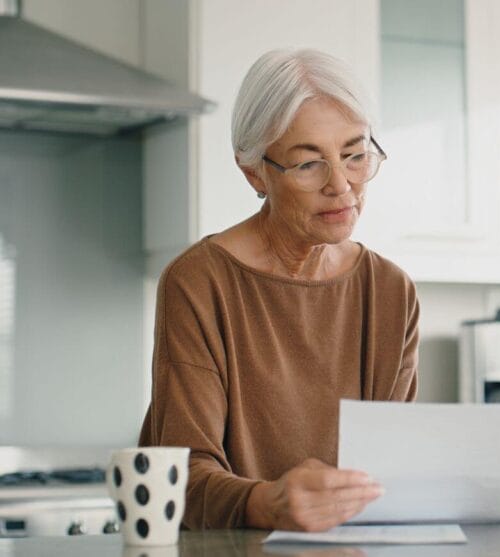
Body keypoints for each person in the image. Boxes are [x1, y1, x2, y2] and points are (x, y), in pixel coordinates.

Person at [139, 48, 420, 532]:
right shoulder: (199, 282)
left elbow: (392, 473)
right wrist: (267, 503)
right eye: (310, 164)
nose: (342, 186)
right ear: (254, 171)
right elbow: (179, 479)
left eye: (355, 155)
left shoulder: (391, 290)